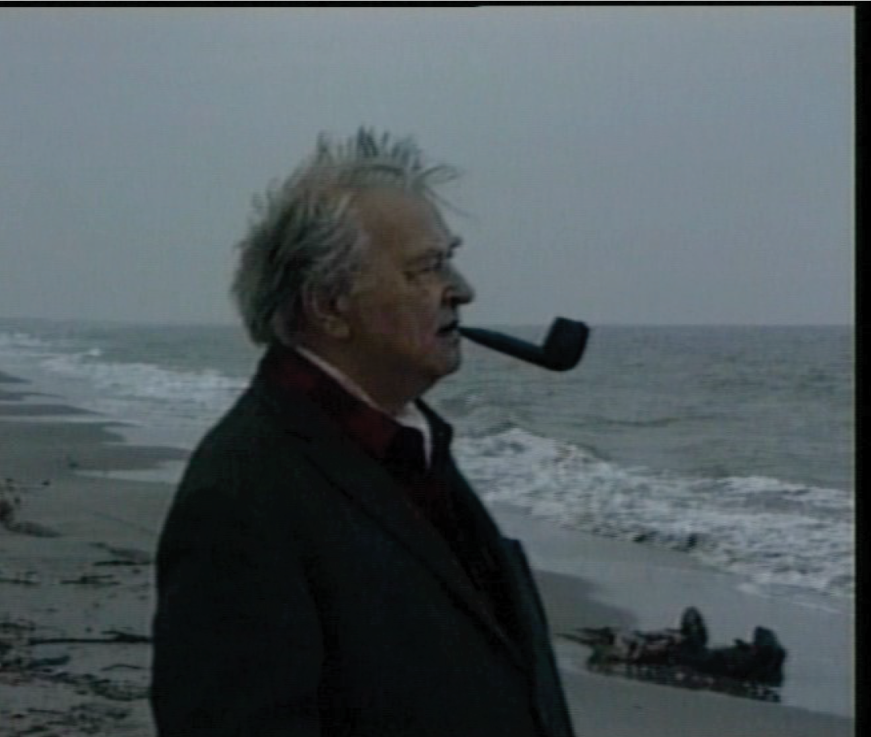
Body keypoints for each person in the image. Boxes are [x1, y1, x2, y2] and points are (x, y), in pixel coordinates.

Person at [151, 128, 577, 737]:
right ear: (329, 305)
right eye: (427, 267)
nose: (462, 289)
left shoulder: (403, 443)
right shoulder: (242, 496)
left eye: (449, 258)